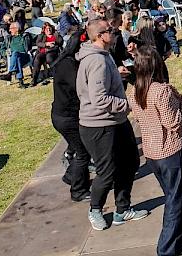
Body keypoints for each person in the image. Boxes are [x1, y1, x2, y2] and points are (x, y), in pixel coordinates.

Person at [128, 45, 182, 255]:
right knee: (175, 198)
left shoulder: (134, 91)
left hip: (152, 151)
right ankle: (168, 247)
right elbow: (173, 122)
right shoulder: (162, 91)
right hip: (171, 150)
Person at [76, 19, 148, 231]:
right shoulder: (96, 61)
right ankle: (95, 209)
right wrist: (127, 105)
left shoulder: (103, 56)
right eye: (110, 30)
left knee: (130, 163)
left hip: (116, 121)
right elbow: (99, 99)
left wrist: (117, 75)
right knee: (107, 171)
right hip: (99, 125)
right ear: (100, 36)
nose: (115, 32)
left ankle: (122, 209)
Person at [51, 29, 91, 203]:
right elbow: (81, 87)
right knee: (83, 153)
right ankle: (78, 191)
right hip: (66, 118)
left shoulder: (69, 62)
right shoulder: (68, 65)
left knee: (79, 149)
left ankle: (70, 176)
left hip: (67, 115)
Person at [32, 22, 63, 87]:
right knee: (37, 59)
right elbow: (38, 43)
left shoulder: (55, 34)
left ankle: (56, 75)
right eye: (46, 29)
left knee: (49, 58)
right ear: (44, 30)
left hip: (53, 52)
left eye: (49, 28)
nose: (48, 30)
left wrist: (54, 43)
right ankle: (34, 79)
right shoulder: (41, 36)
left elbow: (60, 41)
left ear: (52, 28)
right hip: (42, 52)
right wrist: (46, 44)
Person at [6, 22, 31, 88]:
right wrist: (5, 53)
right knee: (17, 58)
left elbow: (31, 44)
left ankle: (10, 72)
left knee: (15, 54)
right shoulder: (8, 38)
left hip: (24, 57)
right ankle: (21, 82)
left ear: (16, 29)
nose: (9, 30)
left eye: (11, 28)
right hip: (14, 59)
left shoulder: (24, 36)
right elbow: (2, 49)